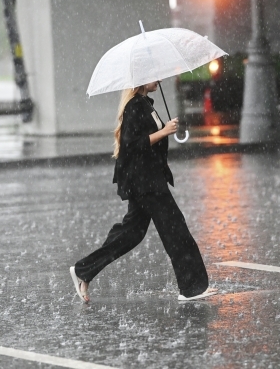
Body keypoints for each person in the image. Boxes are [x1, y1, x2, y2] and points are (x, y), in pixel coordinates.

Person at [70, 81, 217, 303]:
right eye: (153, 76)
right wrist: (165, 131)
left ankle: (84, 270)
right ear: (140, 79)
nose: (158, 80)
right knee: (175, 229)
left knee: (131, 233)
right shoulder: (135, 106)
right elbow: (131, 144)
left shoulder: (144, 104)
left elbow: (145, 139)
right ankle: (191, 287)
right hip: (146, 182)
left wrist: (165, 129)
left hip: (148, 179)